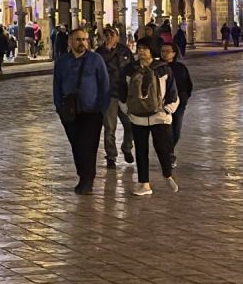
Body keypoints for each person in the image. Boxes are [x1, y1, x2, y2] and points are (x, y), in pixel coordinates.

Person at [54, 27, 112, 193]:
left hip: (91, 111)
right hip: (70, 112)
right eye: (78, 39)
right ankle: (83, 175)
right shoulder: (62, 62)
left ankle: (87, 179)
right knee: (76, 145)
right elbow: (57, 85)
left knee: (88, 145)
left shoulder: (95, 60)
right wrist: (59, 107)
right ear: (70, 41)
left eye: (85, 39)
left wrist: (102, 107)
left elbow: (104, 84)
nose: (82, 43)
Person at [123, 44, 179, 195]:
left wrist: (167, 110)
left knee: (163, 148)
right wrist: (127, 109)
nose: (141, 51)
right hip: (137, 116)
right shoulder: (130, 69)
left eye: (145, 48)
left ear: (151, 51)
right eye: (139, 48)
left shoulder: (163, 69)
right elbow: (123, 91)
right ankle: (144, 183)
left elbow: (172, 91)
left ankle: (167, 175)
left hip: (159, 116)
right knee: (141, 150)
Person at [97, 27, 136, 169]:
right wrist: (107, 49)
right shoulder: (100, 53)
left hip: (124, 94)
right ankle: (111, 157)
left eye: (111, 35)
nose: (109, 37)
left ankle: (127, 147)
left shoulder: (125, 51)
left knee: (130, 124)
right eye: (106, 35)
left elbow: (132, 69)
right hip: (108, 94)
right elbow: (99, 69)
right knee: (109, 128)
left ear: (117, 36)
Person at [158, 41, 193, 162]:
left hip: (179, 104)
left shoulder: (180, 68)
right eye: (163, 51)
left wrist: (183, 99)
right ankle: (169, 154)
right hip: (161, 104)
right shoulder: (157, 67)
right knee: (164, 130)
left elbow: (188, 85)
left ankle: (169, 150)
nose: (165, 54)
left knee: (176, 130)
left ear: (174, 53)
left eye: (168, 51)